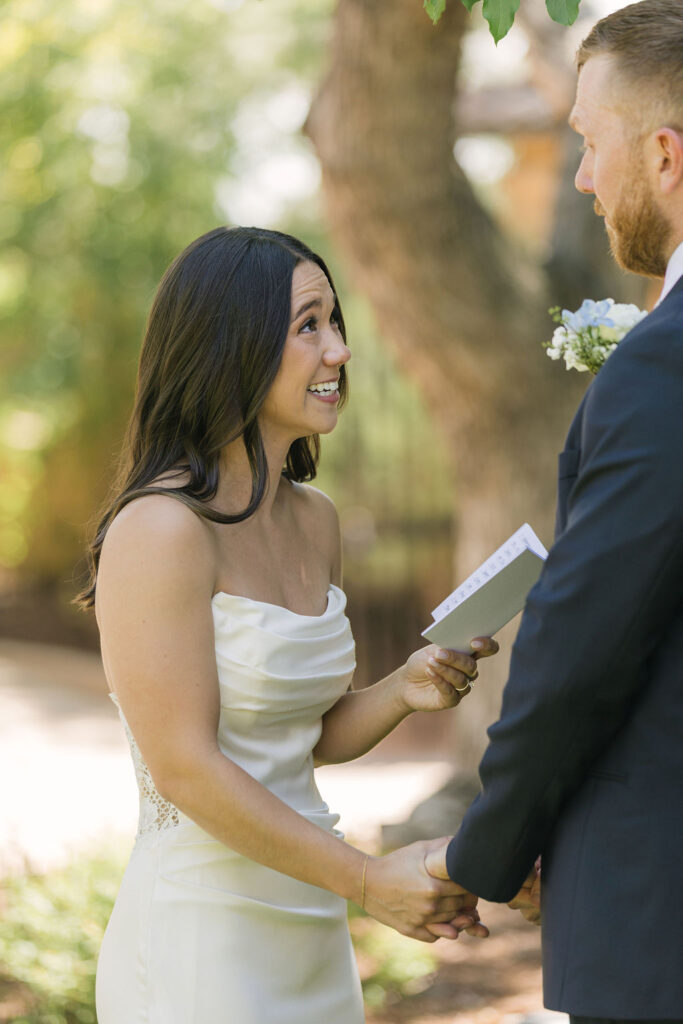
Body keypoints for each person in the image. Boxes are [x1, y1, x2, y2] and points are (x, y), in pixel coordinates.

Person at [79, 226, 496, 1024]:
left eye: (335, 323)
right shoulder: (160, 529)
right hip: (203, 934)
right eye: (309, 325)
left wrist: (403, 689)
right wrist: (368, 881)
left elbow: (306, 734)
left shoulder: (316, 521)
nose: (338, 351)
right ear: (231, 343)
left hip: (307, 917)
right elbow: (186, 769)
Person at [424, 3, 683, 1023]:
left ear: (663, 154)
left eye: (587, 142)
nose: (579, 176)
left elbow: (581, 647)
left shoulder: (662, 366)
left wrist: (486, 845)